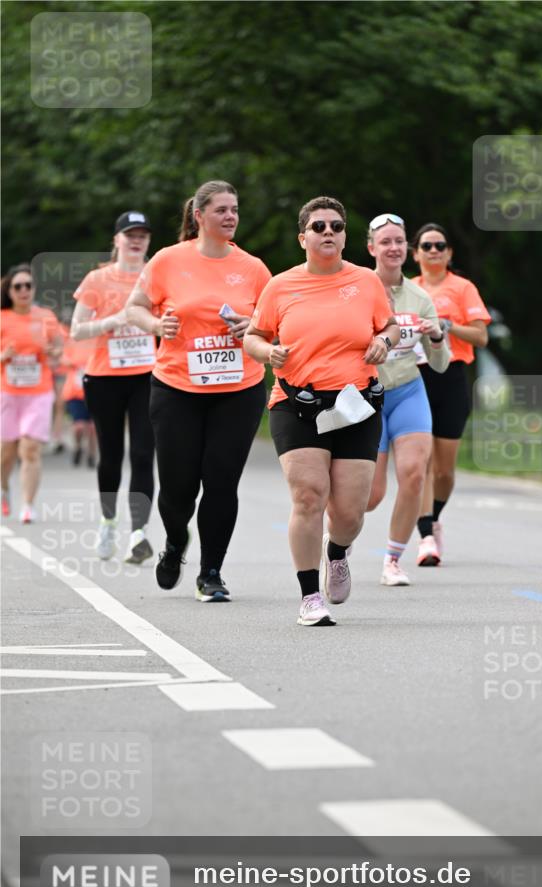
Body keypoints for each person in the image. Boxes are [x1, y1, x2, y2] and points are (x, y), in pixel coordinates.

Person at [244, 195, 400, 626]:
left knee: (351, 511)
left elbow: (390, 324)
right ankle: (310, 597)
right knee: (308, 496)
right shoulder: (280, 286)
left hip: (356, 405)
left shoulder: (367, 282)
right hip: (297, 404)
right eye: (318, 227)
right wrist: (268, 351)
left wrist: (384, 342)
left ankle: (337, 550)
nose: (327, 232)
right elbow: (252, 336)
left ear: (346, 236)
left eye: (335, 226)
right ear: (302, 238)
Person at [126, 180, 271, 602]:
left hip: (239, 389)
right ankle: (174, 543)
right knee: (177, 488)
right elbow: (134, 307)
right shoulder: (168, 261)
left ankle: (211, 573)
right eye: (222, 210)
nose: (231, 217)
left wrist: (253, 328)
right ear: (199, 216)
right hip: (176, 388)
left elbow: (275, 322)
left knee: (222, 483)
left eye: (235, 209)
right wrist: (156, 325)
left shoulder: (254, 268)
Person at [365, 213, 451, 585]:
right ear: (371, 248)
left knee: (414, 475)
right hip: (368, 397)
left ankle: (392, 560)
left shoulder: (420, 297)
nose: (394, 248)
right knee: (370, 494)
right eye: (385, 241)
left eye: (399, 241)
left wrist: (435, 337)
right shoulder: (358, 288)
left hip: (409, 391)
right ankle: (338, 540)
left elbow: (442, 364)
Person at [71, 211, 156, 563]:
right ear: (116, 240)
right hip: (104, 377)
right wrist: (116, 320)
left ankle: (138, 533)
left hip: (147, 375)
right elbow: (76, 330)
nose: (136, 240)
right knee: (111, 455)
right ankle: (108, 521)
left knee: (142, 453)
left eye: (142, 235)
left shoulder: (157, 277)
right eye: (129, 234)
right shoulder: (97, 279)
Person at [411, 223, 491, 566]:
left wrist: (448, 325)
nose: (433, 251)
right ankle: (426, 536)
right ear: (415, 254)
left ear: (449, 253)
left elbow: (481, 337)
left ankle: (435, 518)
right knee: (421, 463)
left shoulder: (463, 288)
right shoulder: (407, 290)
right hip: (415, 378)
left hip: (453, 376)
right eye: (426, 246)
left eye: (439, 245)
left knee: (444, 469)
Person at [1, 264, 64, 522]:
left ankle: (28, 504)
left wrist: (53, 353)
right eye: (18, 286)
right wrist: (3, 356)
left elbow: (59, 348)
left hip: (38, 392)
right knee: (7, 449)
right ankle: (4, 489)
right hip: (8, 392)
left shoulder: (46, 316)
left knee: (30, 448)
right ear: (10, 291)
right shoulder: (2, 317)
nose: (24, 290)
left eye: (29, 285)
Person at [60, 332, 97, 467]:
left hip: (95, 391)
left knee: (93, 427)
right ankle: (77, 447)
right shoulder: (73, 340)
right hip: (75, 392)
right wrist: (72, 363)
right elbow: (62, 358)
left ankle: (92, 455)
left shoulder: (99, 338)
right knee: (79, 427)